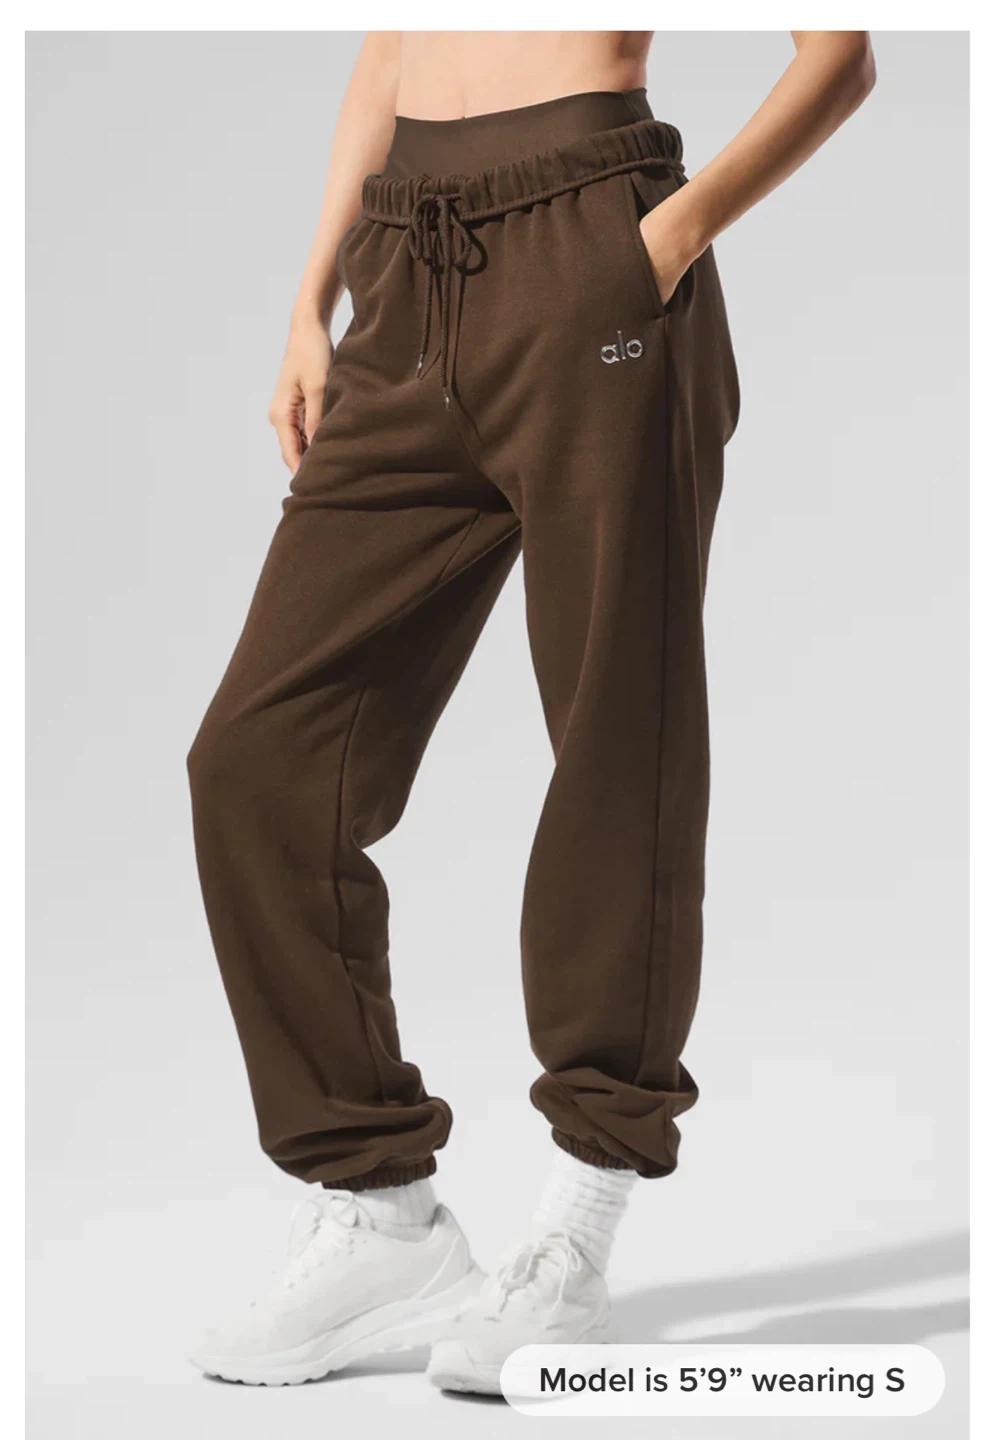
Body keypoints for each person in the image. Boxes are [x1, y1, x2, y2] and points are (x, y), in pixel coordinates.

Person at [186, 30, 876, 1394]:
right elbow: (393, 46)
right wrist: (311, 297)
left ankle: (578, 1223)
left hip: (594, 246)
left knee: (616, 739)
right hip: (403, 270)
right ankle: (380, 1214)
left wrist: (665, 238)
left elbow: (840, 49)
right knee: (257, 763)